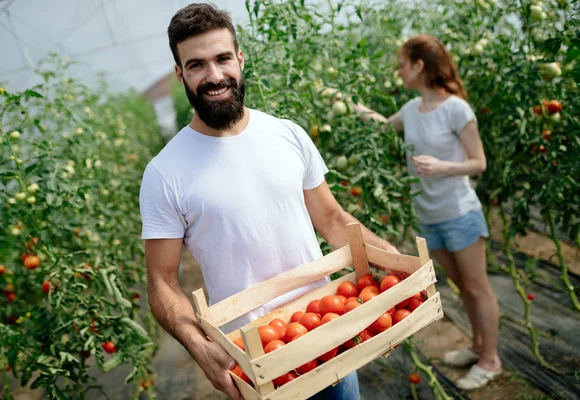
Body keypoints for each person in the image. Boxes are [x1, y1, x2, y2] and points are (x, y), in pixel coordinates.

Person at [139, 4, 399, 399]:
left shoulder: (287, 135)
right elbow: (161, 281)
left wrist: (391, 258)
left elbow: (331, 219)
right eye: (197, 65)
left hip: (328, 330)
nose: (214, 76)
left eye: (223, 58)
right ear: (180, 75)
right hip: (255, 359)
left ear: (240, 59)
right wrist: (196, 344)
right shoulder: (164, 173)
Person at [345, 34, 501, 390]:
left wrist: (442, 166)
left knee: (477, 288)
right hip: (427, 215)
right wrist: (350, 106)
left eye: (402, 64)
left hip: (460, 213)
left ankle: (491, 359)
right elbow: (384, 127)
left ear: (419, 66)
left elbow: (479, 163)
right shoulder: (413, 110)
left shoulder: (456, 109)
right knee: (462, 286)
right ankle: (477, 346)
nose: (398, 71)